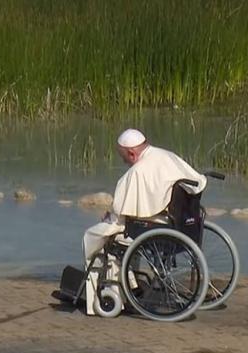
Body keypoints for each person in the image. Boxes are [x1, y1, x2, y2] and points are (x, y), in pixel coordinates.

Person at [82, 128, 207, 314]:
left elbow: (121, 215)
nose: (124, 161)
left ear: (132, 153)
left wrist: (110, 217)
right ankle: (131, 283)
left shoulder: (137, 172)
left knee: (95, 236)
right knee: (126, 233)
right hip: (181, 222)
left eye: (124, 157)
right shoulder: (166, 156)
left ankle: (101, 293)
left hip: (156, 226)